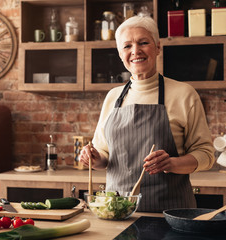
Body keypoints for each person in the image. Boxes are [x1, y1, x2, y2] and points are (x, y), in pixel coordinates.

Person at [79, 15, 215, 212]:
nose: (135, 51)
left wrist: (172, 163)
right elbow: (104, 157)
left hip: (171, 214)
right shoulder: (113, 97)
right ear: (120, 53)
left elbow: (206, 155)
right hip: (117, 213)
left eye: (143, 42)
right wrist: (93, 158)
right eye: (127, 46)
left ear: (157, 47)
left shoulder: (184, 94)